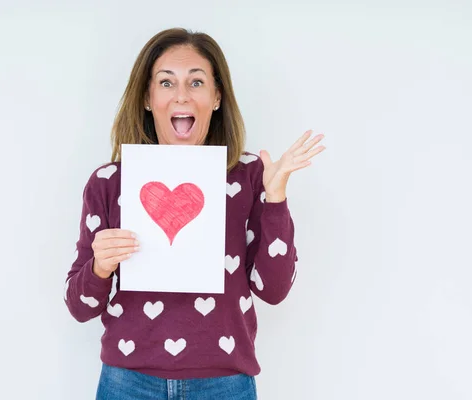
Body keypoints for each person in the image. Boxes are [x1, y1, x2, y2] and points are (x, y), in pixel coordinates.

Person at [64, 27, 325, 400]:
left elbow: (274, 290)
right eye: (166, 83)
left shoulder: (252, 176)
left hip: (225, 383)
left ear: (217, 97)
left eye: (196, 82)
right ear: (148, 98)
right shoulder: (108, 182)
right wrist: (100, 267)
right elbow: (79, 307)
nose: (181, 95)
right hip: (128, 382)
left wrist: (275, 197)